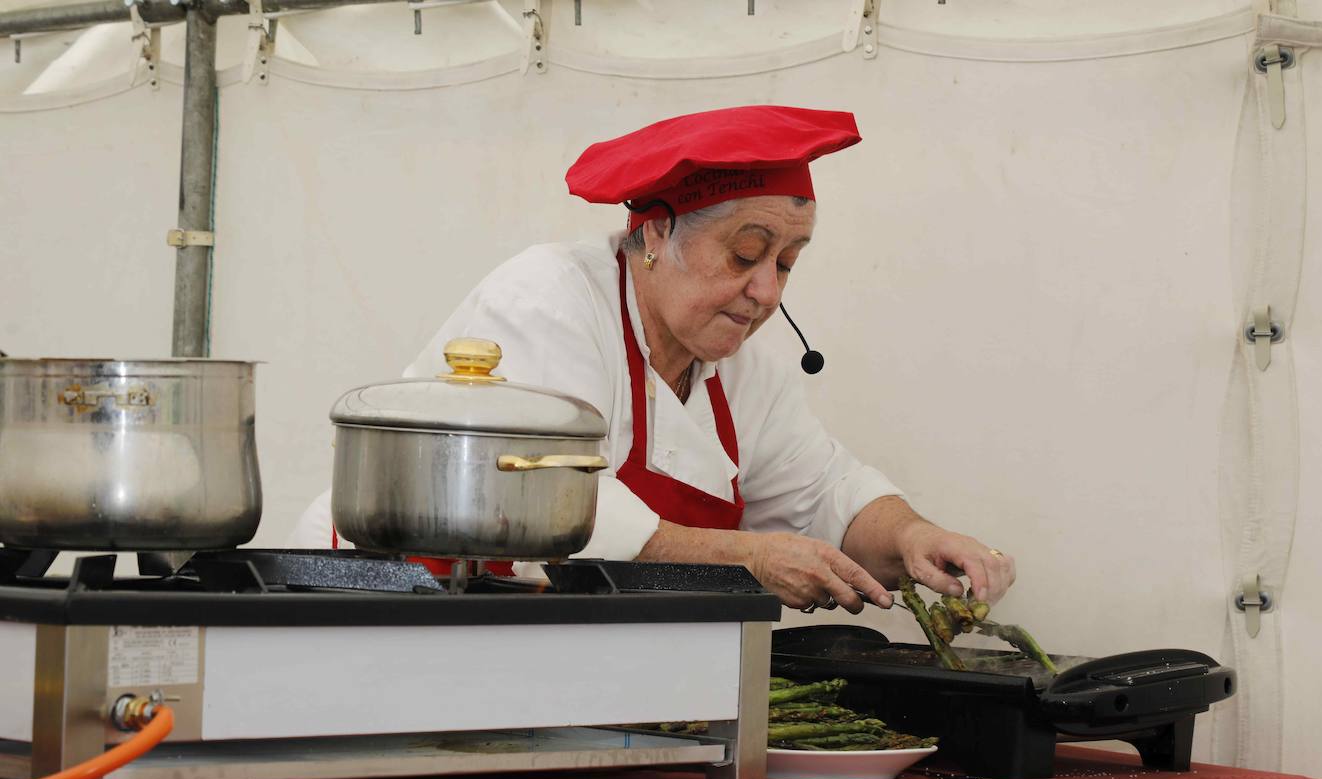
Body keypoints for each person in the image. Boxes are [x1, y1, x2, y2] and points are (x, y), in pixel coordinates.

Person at [291, 105, 1015, 611]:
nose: (764, 291)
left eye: (788, 263)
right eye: (745, 253)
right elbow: (556, 512)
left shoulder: (742, 364)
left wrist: (917, 537)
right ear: (655, 237)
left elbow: (824, 491)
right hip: (393, 605)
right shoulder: (550, 299)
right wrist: (752, 558)